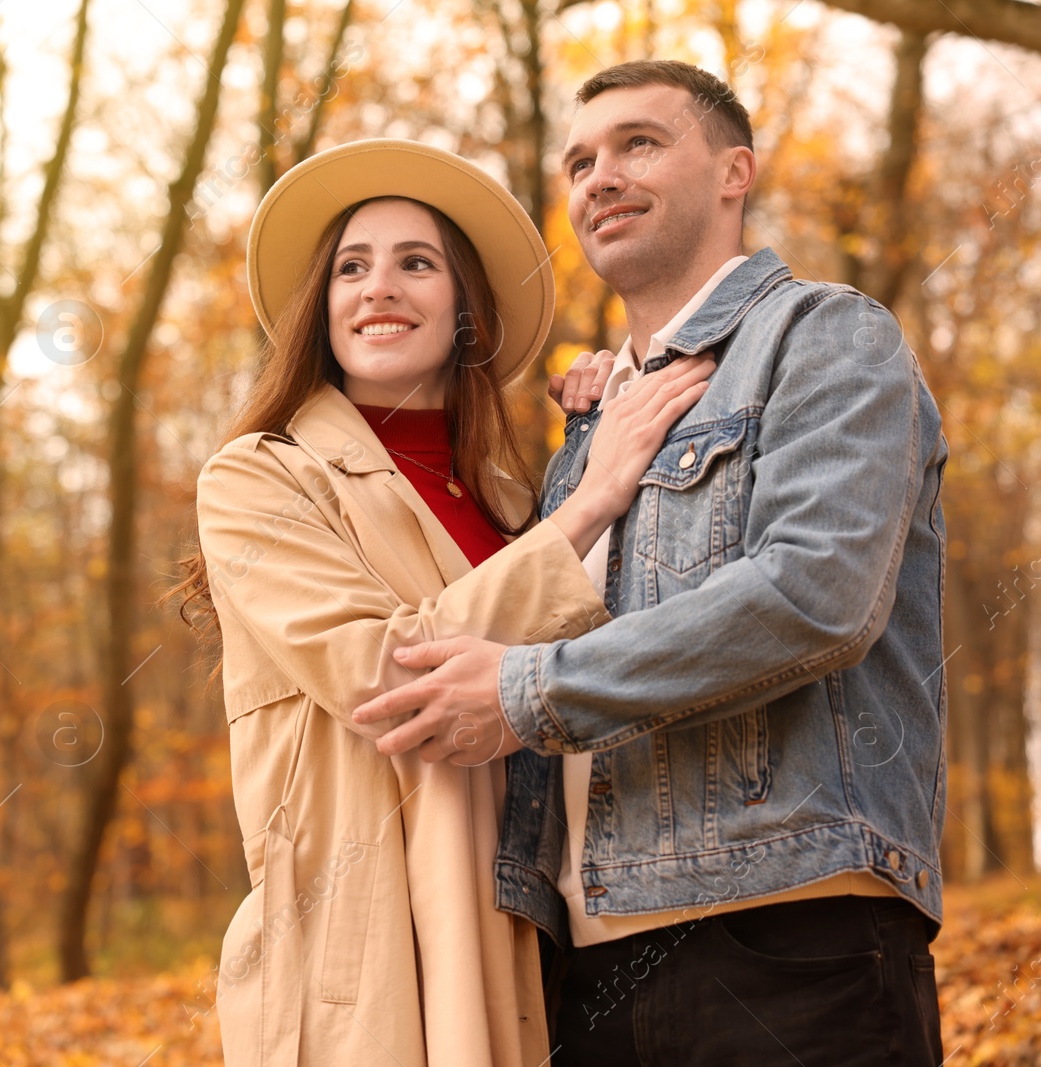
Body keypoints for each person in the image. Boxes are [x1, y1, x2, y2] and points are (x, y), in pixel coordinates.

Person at [353, 61, 950, 1065]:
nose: (598, 177)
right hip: (584, 966)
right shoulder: (591, 428)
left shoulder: (825, 336)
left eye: (638, 143)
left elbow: (814, 595)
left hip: (784, 933)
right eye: (579, 160)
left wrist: (522, 688)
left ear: (734, 172)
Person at [170, 138, 713, 1066]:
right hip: (368, 951)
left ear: (463, 312)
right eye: (352, 266)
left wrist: (589, 435)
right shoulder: (259, 479)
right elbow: (390, 675)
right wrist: (591, 498)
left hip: (536, 922)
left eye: (416, 264)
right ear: (322, 309)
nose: (380, 287)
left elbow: (577, 675)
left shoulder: (505, 499)